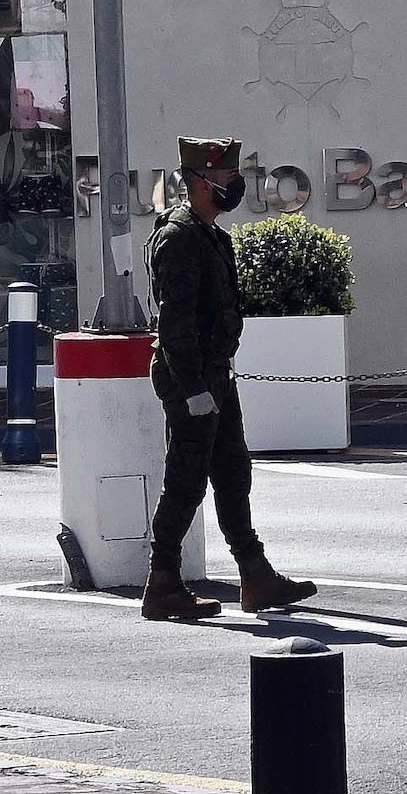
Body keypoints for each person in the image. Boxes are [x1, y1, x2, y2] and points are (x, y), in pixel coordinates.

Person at [140, 136, 317, 620]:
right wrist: (194, 388)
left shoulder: (212, 235)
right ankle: (163, 583)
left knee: (234, 473)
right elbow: (174, 324)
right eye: (222, 179)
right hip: (189, 378)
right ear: (197, 182)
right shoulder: (178, 238)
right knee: (186, 479)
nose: (232, 186)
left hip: (216, 375)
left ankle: (255, 575)